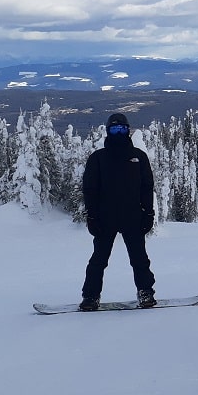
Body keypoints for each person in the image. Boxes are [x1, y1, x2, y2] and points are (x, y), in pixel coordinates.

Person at [79, 112, 157, 311]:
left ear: (128, 131)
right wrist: (92, 216)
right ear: (108, 131)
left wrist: (149, 213)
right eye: (115, 129)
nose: (119, 132)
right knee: (98, 260)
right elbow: (90, 189)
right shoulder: (98, 158)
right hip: (105, 217)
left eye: (122, 129)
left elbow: (147, 187)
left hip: (133, 215)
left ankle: (146, 292)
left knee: (139, 258)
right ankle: (90, 296)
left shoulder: (138, 157)